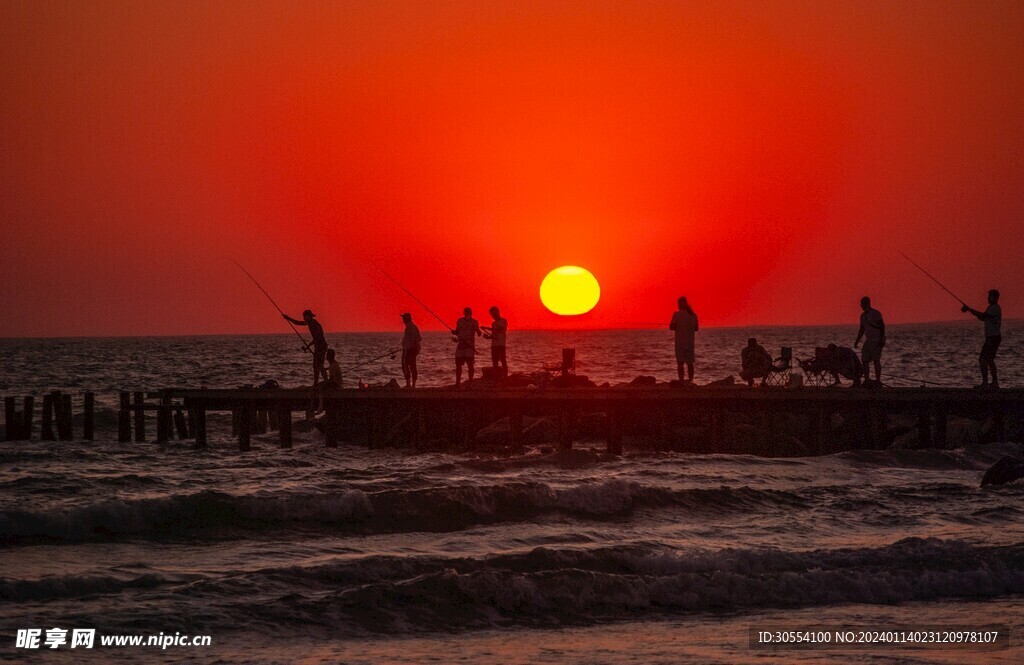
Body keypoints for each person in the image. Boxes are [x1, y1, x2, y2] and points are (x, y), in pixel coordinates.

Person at [962, 289, 1002, 389]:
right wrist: (970, 310)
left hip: (993, 338)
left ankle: (987, 383)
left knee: (983, 359)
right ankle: (994, 383)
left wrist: (969, 309)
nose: (988, 298)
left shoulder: (995, 308)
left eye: (990, 296)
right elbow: (983, 318)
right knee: (989, 359)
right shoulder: (991, 308)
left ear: (995, 298)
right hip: (992, 338)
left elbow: (982, 315)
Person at [283, 309, 328, 386]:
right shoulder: (310, 323)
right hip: (318, 346)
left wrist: (308, 346)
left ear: (308, 316)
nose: (303, 318)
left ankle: (326, 382)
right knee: (315, 365)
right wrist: (288, 318)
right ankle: (316, 383)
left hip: (321, 347)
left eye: (305, 316)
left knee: (319, 365)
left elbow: (317, 338)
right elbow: (298, 323)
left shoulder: (314, 324)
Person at [854, 296, 886, 384]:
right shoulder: (862, 316)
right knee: (864, 359)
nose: (862, 306)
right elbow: (862, 329)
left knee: (876, 360)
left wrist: (881, 339)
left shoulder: (876, 313)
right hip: (869, 340)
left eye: (863, 304)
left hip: (877, 339)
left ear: (868, 303)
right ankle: (867, 379)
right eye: (861, 304)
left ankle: (878, 380)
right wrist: (857, 341)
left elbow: (882, 327)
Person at [669, 296, 698, 383]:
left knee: (680, 363)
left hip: (680, 343)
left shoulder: (676, 314)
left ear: (679, 304)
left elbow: (671, 327)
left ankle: (681, 381)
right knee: (690, 363)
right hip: (690, 343)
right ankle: (690, 381)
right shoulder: (693, 315)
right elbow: (696, 328)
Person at [453, 307, 481, 386]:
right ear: (464, 313)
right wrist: (454, 332)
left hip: (469, 346)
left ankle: (470, 382)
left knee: (470, 364)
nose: (468, 314)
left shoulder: (475, 322)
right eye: (466, 312)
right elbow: (457, 331)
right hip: (461, 345)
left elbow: (479, 333)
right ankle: (457, 382)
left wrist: (478, 331)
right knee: (458, 365)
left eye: (469, 312)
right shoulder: (459, 321)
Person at [483, 306, 508, 380]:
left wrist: (486, 328)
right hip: (494, 345)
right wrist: (488, 337)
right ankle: (496, 378)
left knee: (503, 361)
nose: (493, 316)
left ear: (497, 312)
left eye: (493, 314)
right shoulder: (493, 323)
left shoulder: (503, 321)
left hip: (501, 344)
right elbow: (494, 335)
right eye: (491, 315)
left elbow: (501, 329)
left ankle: (505, 376)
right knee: (495, 362)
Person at [314, 349, 342, 414]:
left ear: (330, 356)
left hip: (335, 384)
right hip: (335, 383)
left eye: (327, 355)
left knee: (320, 387)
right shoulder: (333, 363)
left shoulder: (333, 366)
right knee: (319, 385)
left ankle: (320, 407)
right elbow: (329, 369)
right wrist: (324, 369)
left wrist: (324, 383)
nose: (326, 356)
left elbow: (331, 379)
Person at [400, 312, 422, 388]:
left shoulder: (409, 327)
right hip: (413, 350)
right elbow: (419, 338)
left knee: (405, 365)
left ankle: (408, 384)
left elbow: (412, 340)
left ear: (406, 319)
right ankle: (413, 385)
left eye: (403, 318)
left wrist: (408, 346)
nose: (402, 320)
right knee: (413, 366)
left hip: (408, 350)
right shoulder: (414, 327)